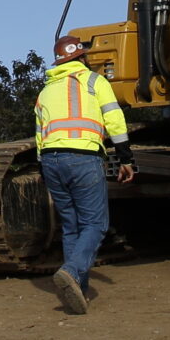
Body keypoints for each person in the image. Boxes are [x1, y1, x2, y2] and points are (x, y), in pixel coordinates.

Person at [34, 36, 133, 315]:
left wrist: (44, 166)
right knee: (96, 224)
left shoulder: (45, 91)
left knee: (71, 226)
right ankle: (72, 271)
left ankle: (79, 291)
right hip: (83, 157)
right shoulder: (94, 81)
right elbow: (114, 118)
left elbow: (39, 134)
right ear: (82, 57)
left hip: (52, 159)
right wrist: (125, 157)